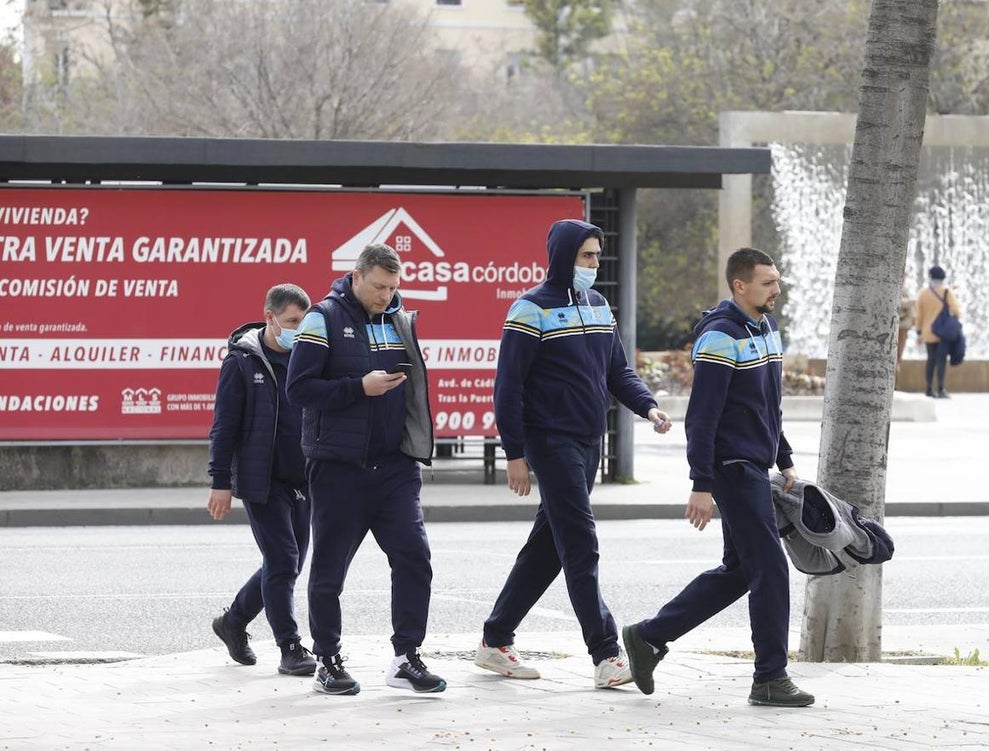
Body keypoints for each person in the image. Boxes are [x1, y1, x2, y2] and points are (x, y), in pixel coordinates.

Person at [473, 218, 673, 689]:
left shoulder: (598, 305)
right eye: (586, 256)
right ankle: (606, 653)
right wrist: (515, 453)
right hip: (550, 441)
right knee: (580, 544)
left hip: (588, 441)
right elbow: (508, 388)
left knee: (548, 547)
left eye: (597, 256)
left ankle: (495, 639)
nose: (594, 264)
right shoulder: (530, 309)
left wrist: (649, 407)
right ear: (564, 256)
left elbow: (617, 372)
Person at [621, 247, 815, 708]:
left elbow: (770, 405)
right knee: (769, 568)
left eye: (777, 280)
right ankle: (770, 677)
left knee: (740, 571)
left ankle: (648, 637)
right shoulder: (718, 338)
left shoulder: (767, 329)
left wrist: (784, 458)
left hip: (756, 465)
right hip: (731, 469)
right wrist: (701, 483)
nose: (777, 289)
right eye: (768, 282)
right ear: (740, 286)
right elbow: (703, 417)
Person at [286, 243, 443, 697]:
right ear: (355, 277)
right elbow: (300, 388)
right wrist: (360, 387)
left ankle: (405, 658)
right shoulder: (323, 318)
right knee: (330, 572)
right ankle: (327, 661)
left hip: (395, 467)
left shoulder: (398, 317)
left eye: (393, 287)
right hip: (338, 468)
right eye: (378, 286)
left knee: (414, 559)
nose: (386, 295)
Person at [207, 283, 316, 679]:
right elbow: (224, 426)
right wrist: (220, 480)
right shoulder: (242, 362)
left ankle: (232, 622)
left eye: (304, 322)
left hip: (302, 478)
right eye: (291, 321)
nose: (298, 329)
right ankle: (290, 648)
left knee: (287, 562)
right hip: (261, 480)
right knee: (284, 560)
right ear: (269, 317)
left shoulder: (310, 357)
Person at [915, 264, 962, 398]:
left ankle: (929, 389)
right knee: (941, 360)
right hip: (943, 333)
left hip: (928, 332)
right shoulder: (947, 292)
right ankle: (941, 389)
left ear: (930, 276)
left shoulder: (923, 294)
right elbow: (956, 311)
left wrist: (919, 332)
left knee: (931, 360)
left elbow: (919, 315)